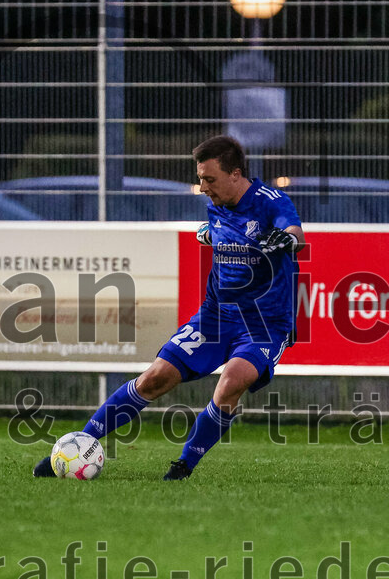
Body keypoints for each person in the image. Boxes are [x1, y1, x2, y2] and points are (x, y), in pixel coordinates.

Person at [34, 135, 304, 480]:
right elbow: (226, 231)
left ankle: (183, 467)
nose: (203, 187)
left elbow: (293, 229)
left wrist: (288, 239)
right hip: (216, 316)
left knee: (231, 383)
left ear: (236, 174)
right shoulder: (217, 202)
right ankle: (79, 444)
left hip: (265, 324)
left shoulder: (270, 200)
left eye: (210, 179)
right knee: (153, 379)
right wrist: (211, 232)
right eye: (200, 178)